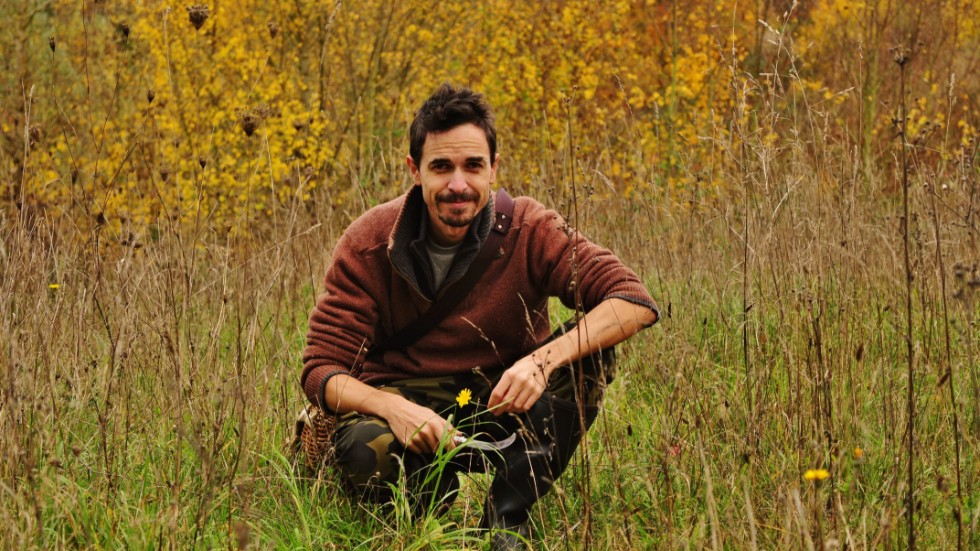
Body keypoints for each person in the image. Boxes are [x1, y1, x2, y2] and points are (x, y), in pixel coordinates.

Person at [301, 83, 658, 549]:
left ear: (494, 169)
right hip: (406, 398)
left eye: (473, 166)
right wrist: (395, 409)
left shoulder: (530, 227)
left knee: (590, 354)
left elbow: (632, 299)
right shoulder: (369, 241)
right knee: (366, 452)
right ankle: (427, 504)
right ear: (415, 171)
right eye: (441, 167)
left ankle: (508, 518)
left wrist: (542, 361)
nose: (458, 185)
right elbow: (320, 371)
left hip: (504, 394)